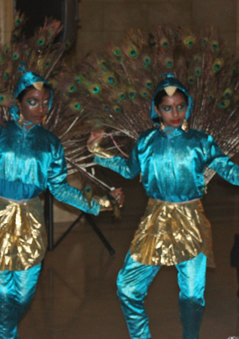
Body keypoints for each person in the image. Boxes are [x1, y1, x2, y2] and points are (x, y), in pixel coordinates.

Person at [0, 70, 123, 339]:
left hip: (32, 219)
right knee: (3, 292)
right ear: (18, 103)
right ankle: (6, 334)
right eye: (33, 101)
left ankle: (3, 330)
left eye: (45, 102)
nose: (41, 108)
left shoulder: (51, 144)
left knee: (25, 294)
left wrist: (100, 202)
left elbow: (60, 189)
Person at [88, 74, 239, 339]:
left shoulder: (201, 141)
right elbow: (128, 169)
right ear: (156, 110)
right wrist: (99, 153)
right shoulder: (146, 142)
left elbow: (228, 169)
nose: (175, 113)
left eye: (180, 106)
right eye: (168, 108)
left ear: (188, 106)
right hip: (154, 221)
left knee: (192, 295)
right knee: (127, 287)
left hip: (191, 221)